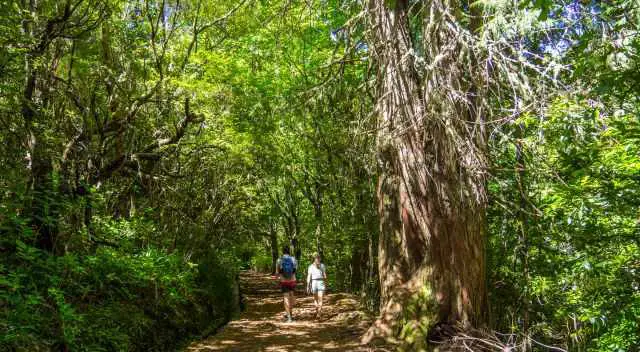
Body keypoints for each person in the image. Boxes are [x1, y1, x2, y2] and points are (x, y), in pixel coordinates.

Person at [276, 245, 298, 322]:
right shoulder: (293, 259)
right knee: (291, 296)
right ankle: (291, 314)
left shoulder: (279, 260)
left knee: (286, 297)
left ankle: (289, 317)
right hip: (292, 280)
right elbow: (295, 270)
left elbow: (277, 272)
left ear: (283, 251)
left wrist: (278, 279)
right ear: (289, 251)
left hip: (284, 281)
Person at [306, 252, 327, 319]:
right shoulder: (322, 265)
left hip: (314, 282)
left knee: (315, 299)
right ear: (319, 258)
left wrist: (308, 286)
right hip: (321, 282)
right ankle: (319, 313)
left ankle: (317, 311)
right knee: (320, 299)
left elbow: (309, 277)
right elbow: (325, 276)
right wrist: (325, 284)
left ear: (314, 259)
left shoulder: (310, 266)